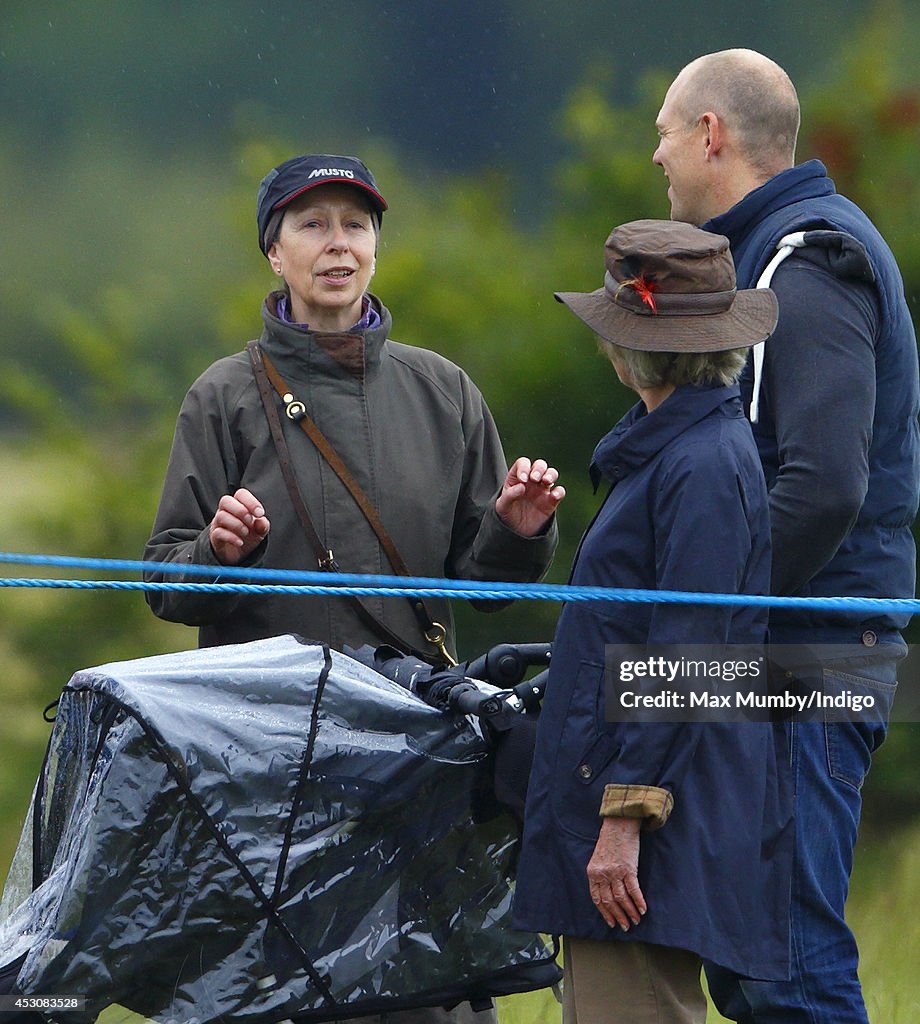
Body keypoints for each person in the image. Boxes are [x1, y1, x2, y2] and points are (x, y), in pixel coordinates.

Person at [144, 153, 565, 1024]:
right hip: (265, 753)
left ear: (375, 245)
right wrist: (220, 552)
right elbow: (163, 580)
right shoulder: (221, 397)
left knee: (426, 988)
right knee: (283, 988)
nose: (337, 245)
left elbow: (483, 592)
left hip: (413, 746)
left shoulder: (442, 390)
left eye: (355, 225)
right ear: (274, 250)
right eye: (312, 225)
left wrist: (517, 533)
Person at [652, 50, 920, 1023]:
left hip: (807, 652)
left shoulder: (807, 257)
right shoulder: (773, 251)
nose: (659, 157)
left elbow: (820, 488)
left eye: (666, 134)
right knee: (752, 958)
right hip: (783, 647)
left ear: (712, 135)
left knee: (787, 964)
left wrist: (700, 613)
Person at [512, 220, 792, 1024]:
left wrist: (626, 816)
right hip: (627, 800)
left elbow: (688, 654)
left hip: (648, 827)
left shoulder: (701, 463)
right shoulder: (674, 447)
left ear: (633, 346)